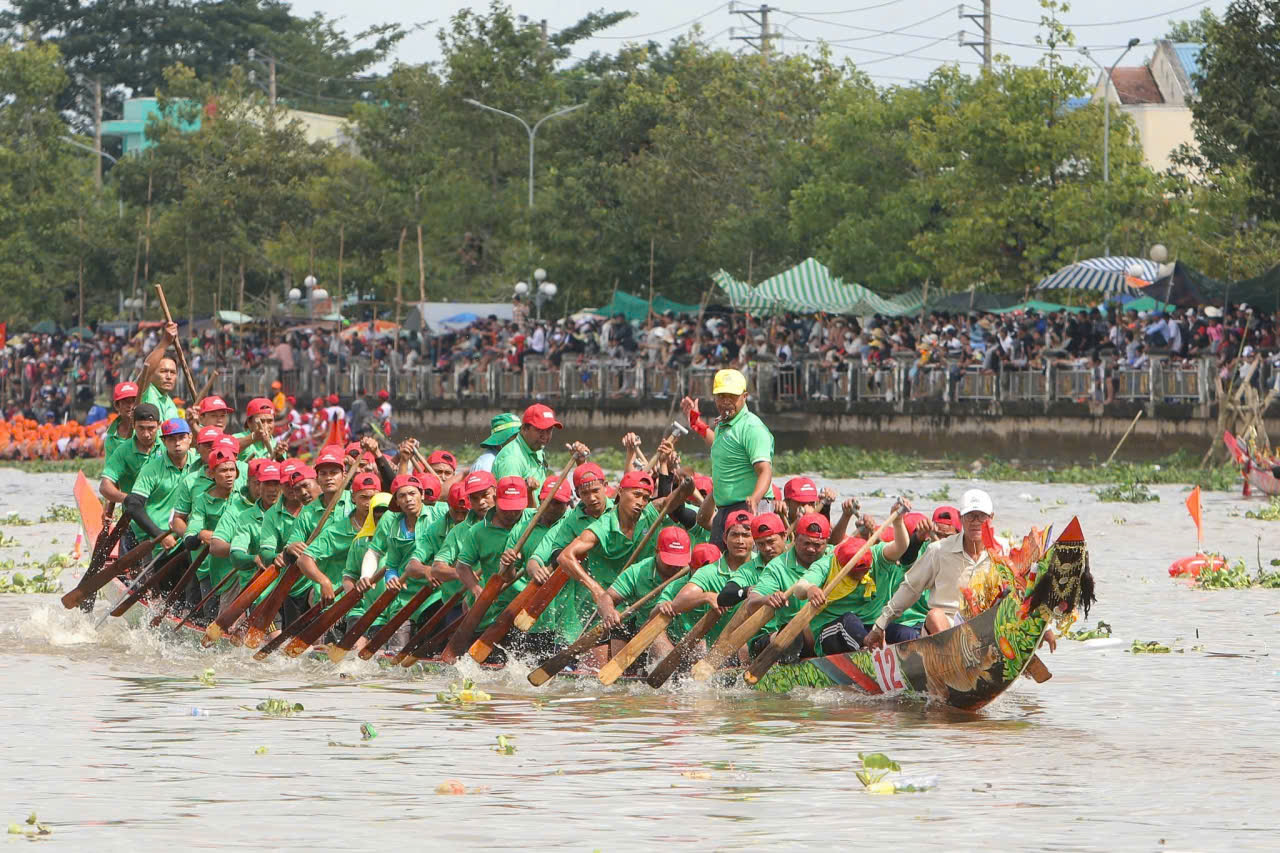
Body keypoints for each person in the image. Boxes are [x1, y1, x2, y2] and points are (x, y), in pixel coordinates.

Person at [865, 489, 994, 646]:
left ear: (991, 518)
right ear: (961, 519)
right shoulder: (938, 550)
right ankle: (956, 658)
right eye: (970, 516)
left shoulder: (1000, 553)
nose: (975, 521)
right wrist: (880, 625)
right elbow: (911, 587)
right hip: (945, 627)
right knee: (934, 616)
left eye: (981, 516)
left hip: (985, 624)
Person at [682, 368, 774, 548]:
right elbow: (722, 445)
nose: (726, 402)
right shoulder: (724, 424)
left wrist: (754, 499)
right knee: (718, 565)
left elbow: (765, 470)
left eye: (732, 396)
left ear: (745, 396)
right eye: (721, 396)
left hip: (748, 507)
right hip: (724, 508)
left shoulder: (751, 427)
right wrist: (696, 424)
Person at [742, 512, 834, 660]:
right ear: (795, 539)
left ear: (826, 542)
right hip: (793, 635)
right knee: (797, 633)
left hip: (826, 627)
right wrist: (768, 599)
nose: (811, 549)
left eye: (817, 545)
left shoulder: (834, 555)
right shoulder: (777, 567)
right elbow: (752, 603)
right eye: (806, 543)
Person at [123, 417, 198, 555]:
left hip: (190, 537)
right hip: (160, 541)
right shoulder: (151, 469)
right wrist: (159, 536)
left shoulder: (200, 465)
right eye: (171, 439)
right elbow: (133, 505)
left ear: (190, 438)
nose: (177, 443)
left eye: (182, 437)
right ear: (163, 441)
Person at [100, 403, 161, 543]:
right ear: (133, 425)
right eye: (141, 428)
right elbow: (105, 486)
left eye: (151, 428)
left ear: (159, 425)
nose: (146, 434)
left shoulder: (166, 447)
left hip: (162, 522)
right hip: (133, 521)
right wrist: (126, 498)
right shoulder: (123, 451)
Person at [492, 404, 559, 487]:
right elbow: (512, 498)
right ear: (524, 429)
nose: (545, 436)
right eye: (540, 430)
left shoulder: (536, 446)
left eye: (549, 430)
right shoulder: (512, 460)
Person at [135, 321, 181, 423]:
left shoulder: (172, 405)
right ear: (152, 375)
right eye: (163, 371)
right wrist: (165, 342)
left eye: (173, 373)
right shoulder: (145, 393)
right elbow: (147, 369)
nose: (168, 376)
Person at [103, 381, 140, 462]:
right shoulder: (111, 438)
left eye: (134, 401)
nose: (130, 405)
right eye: (125, 401)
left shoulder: (146, 430)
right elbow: (110, 468)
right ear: (117, 406)